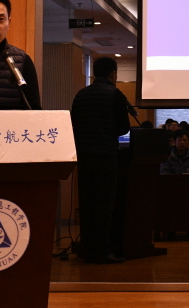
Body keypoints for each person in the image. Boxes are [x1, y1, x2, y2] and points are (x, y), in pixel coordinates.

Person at [70, 56, 131, 264]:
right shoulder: (115, 94)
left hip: (83, 155)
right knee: (104, 204)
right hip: (105, 155)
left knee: (87, 203)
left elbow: (74, 123)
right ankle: (102, 250)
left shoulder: (81, 94)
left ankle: (87, 248)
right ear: (113, 74)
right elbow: (123, 128)